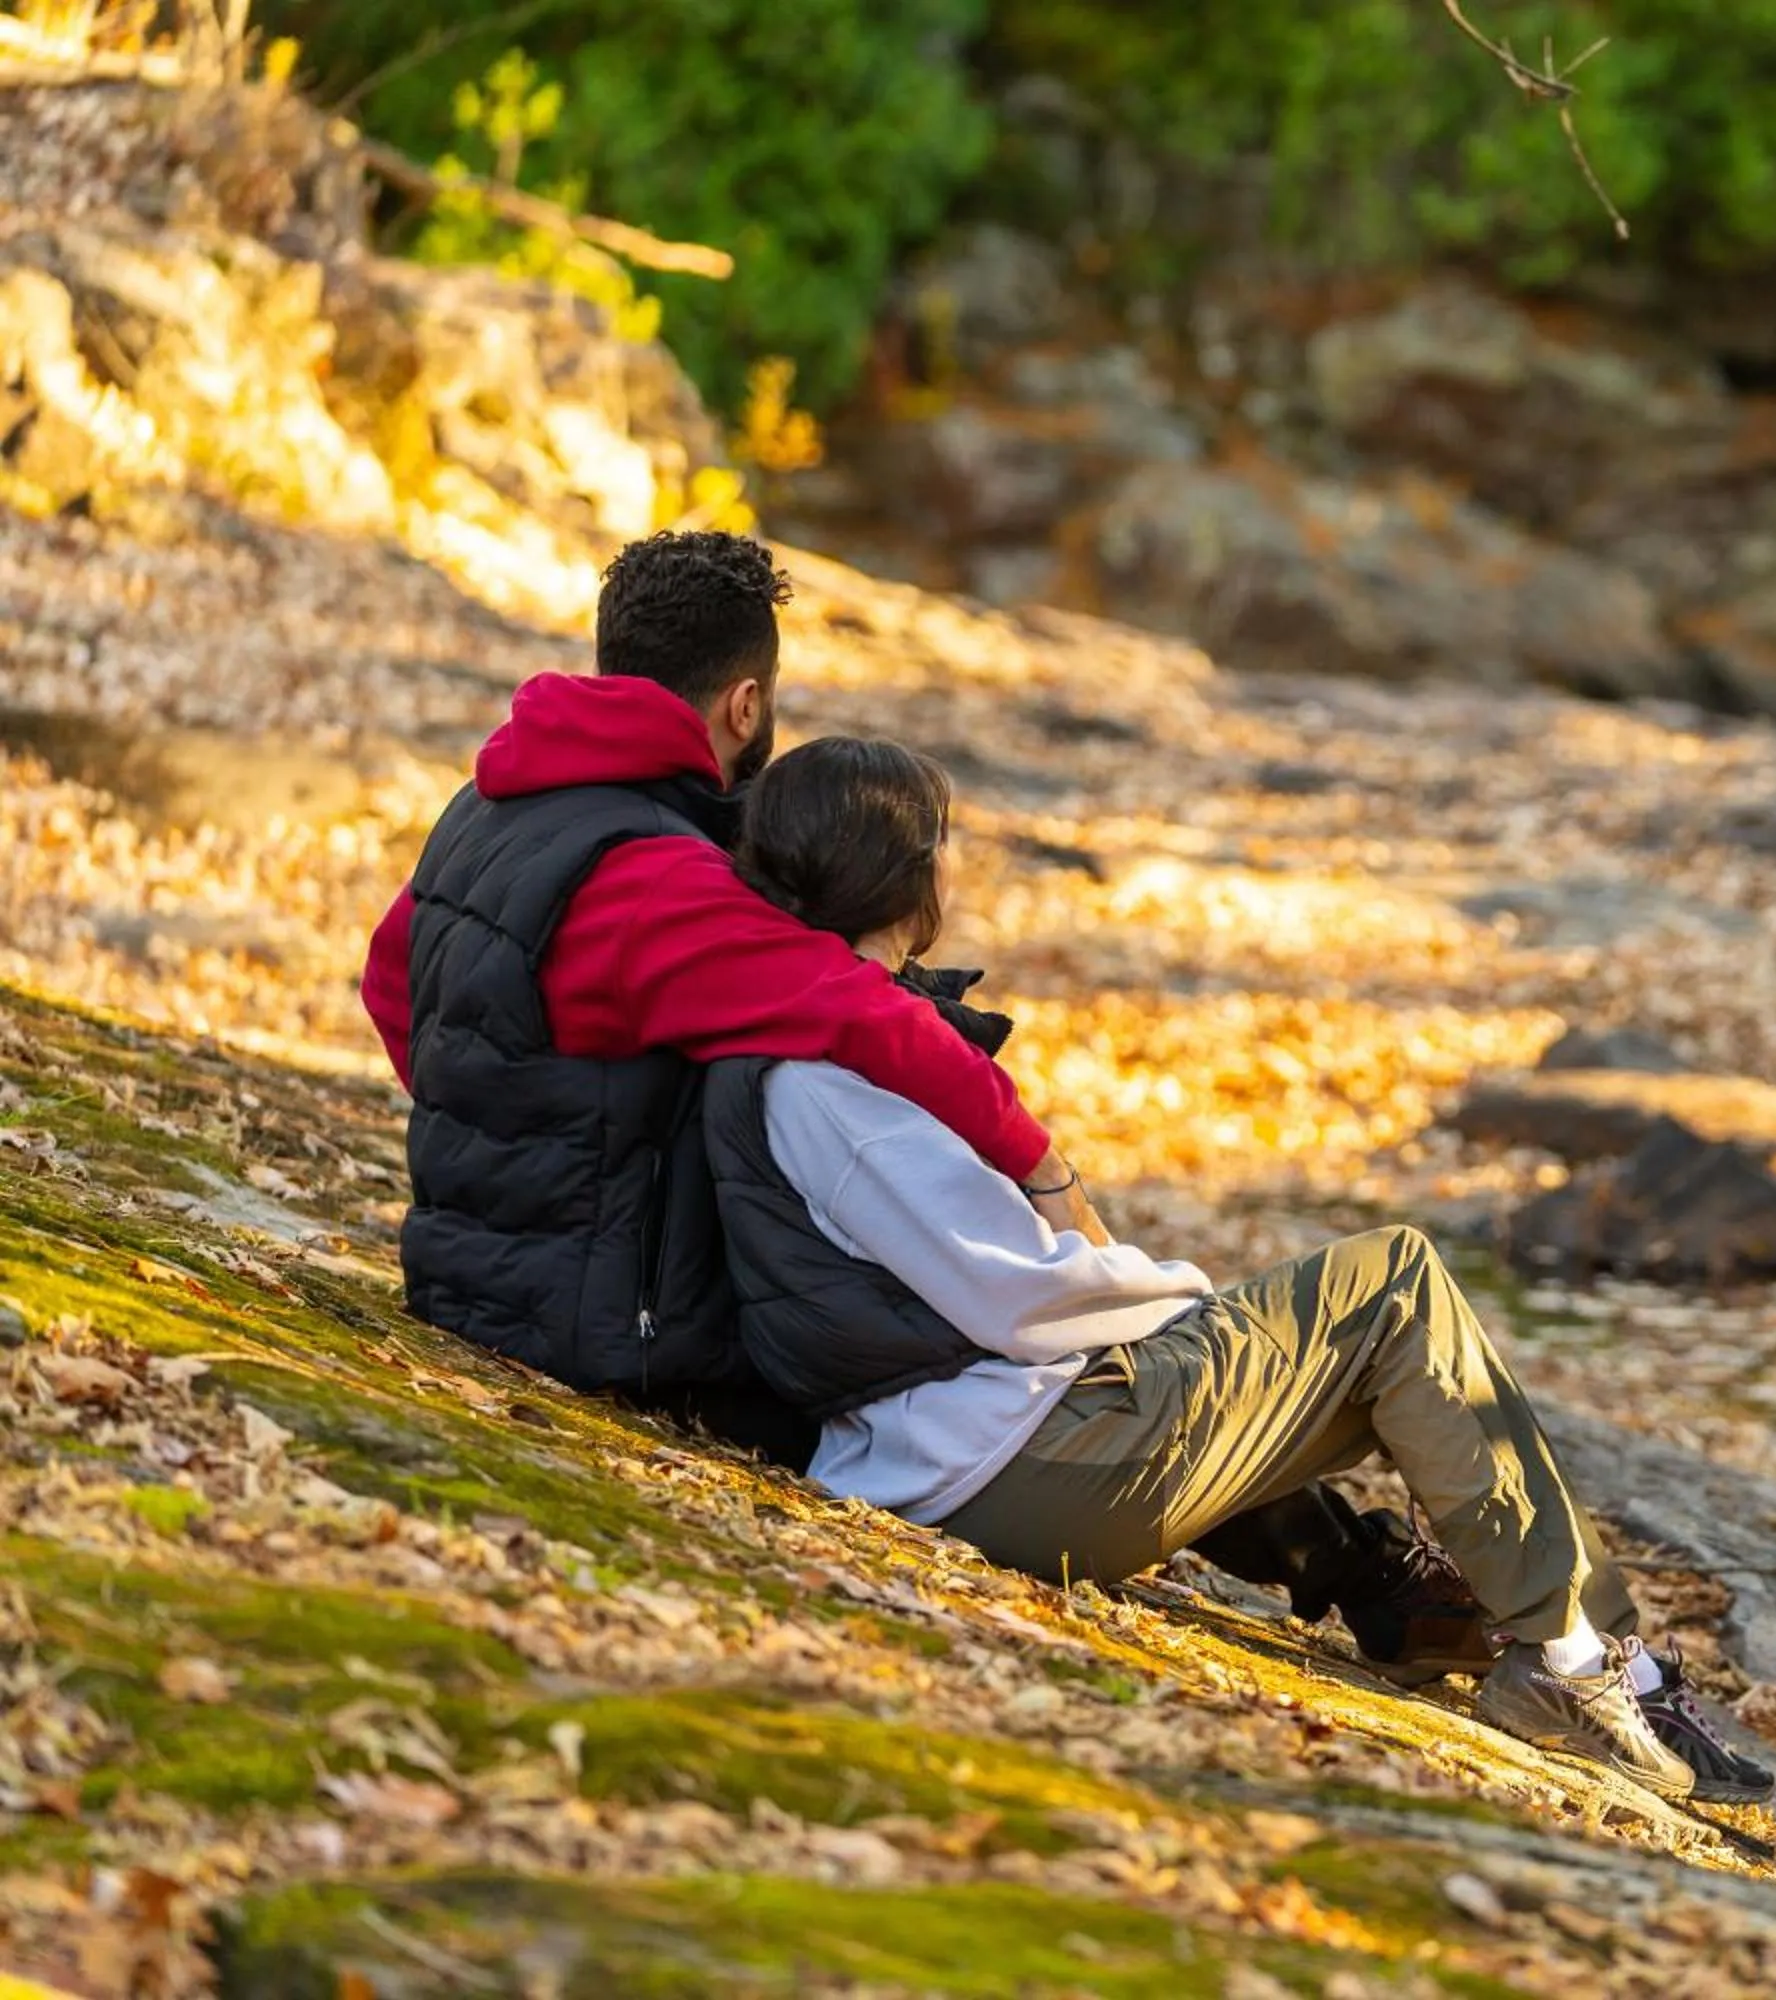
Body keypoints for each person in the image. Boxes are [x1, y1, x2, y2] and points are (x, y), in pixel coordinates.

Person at [359, 530, 1477, 1674]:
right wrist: (1045, 1169)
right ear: (745, 704)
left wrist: (525, 1122)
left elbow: (393, 985)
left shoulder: (486, 812)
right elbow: (858, 1008)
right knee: (1003, 1362)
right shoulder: (656, 870)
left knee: (981, 1328)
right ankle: (1371, 1572)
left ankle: (1359, 1566)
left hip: (471, 1271)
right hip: (610, 1332)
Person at [699, 736, 1776, 1806]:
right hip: (1006, 1469)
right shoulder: (824, 1077)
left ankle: (1576, 1645)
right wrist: (1185, 1303)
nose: (952, 869)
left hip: (981, 1452)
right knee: (1395, 1281)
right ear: (904, 871)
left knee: (1377, 1328)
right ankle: (1583, 1664)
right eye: (944, 846)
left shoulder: (824, 1029)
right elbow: (1020, 1292)